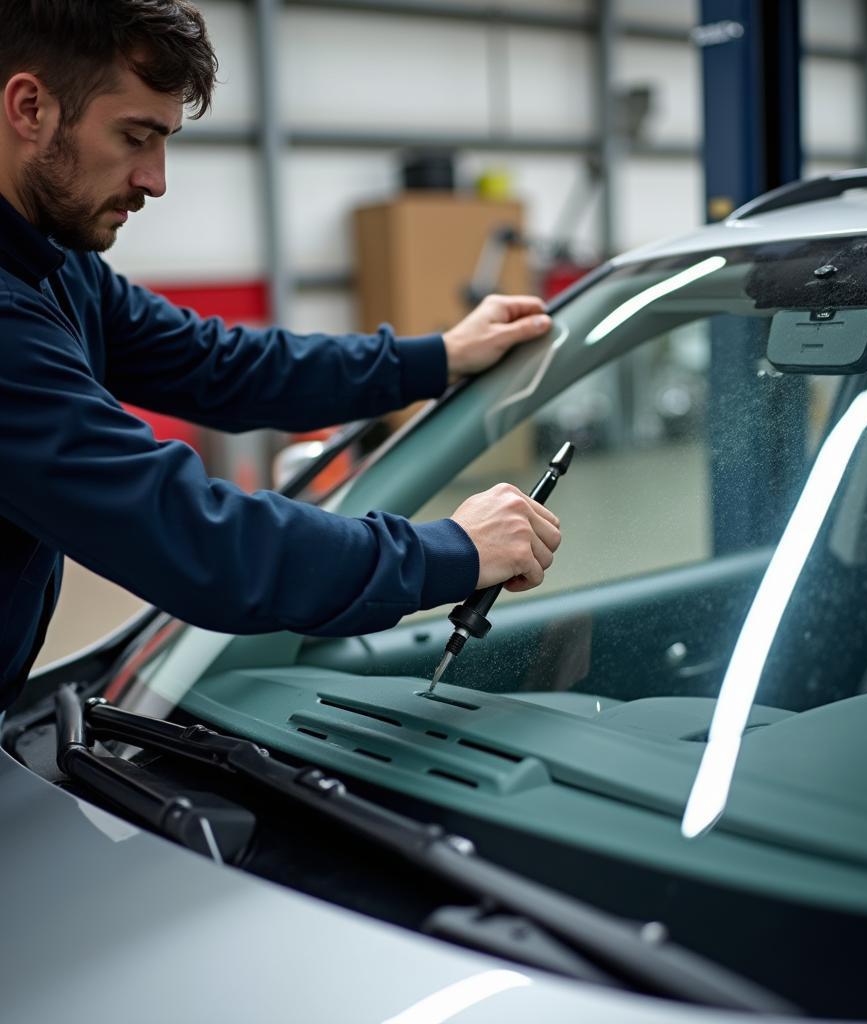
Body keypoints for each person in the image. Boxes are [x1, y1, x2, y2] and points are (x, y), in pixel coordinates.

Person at [0, 0, 561, 714]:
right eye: (135, 136)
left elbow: (217, 363)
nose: (156, 179)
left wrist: (436, 358)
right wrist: (452, 552)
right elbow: (185, 535)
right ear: (30, 108)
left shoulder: (52, 262)